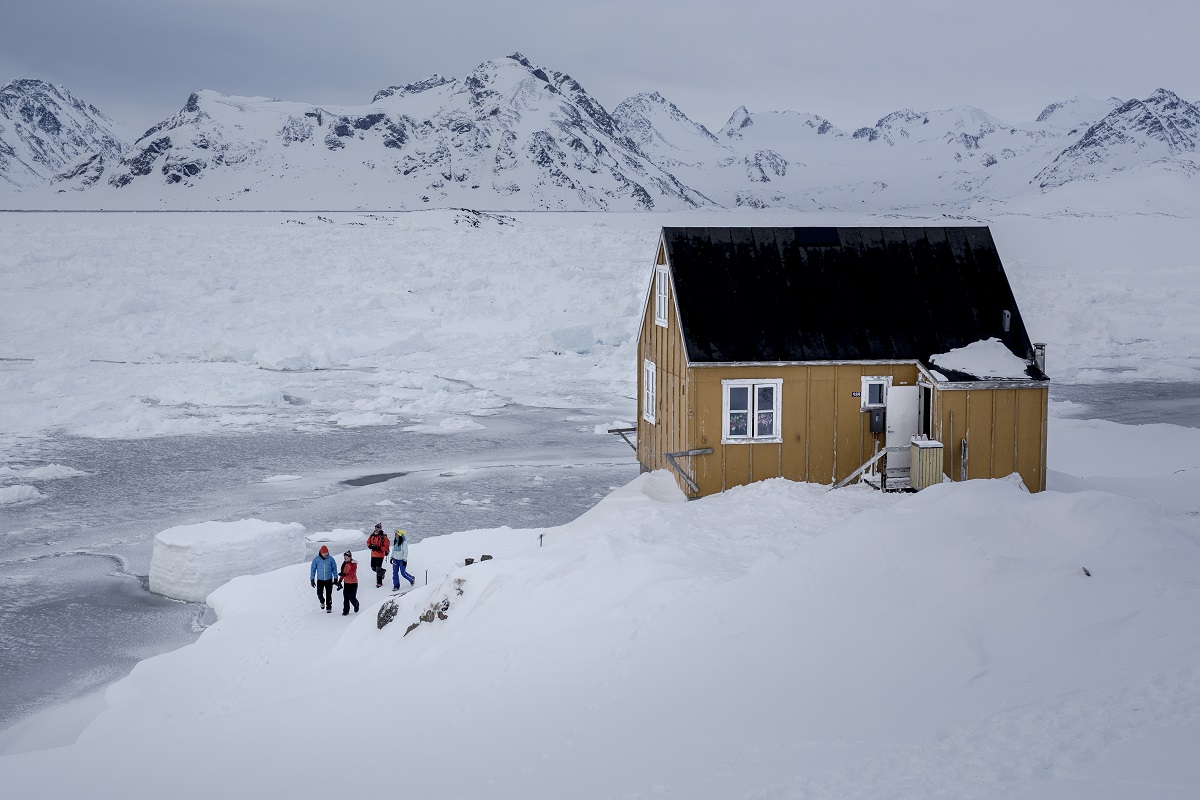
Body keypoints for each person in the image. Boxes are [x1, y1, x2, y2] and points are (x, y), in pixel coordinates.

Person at [309, 545, 337, 613]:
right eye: (325, 554)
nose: (326, 555)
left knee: (328, 594)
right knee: (319, 593)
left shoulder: (331, 559)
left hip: (329, 580)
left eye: (327, 554)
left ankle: (329, 607)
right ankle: (322, 601)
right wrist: (312, 579)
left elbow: (334, 569)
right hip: (320, 580)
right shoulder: (316, 559)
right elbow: (313, 569)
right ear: (321, 553)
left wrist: (336, 578)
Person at [366, 523, 390, 588]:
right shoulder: (372, 535)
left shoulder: (383, 537)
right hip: (373, 554)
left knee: (378, 568)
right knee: (373, 568)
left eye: (378, 528)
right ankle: (383, 572)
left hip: (380, 555)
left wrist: (379, 548)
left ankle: (379, 582)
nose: (376, 529)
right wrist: (370, 546)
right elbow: (368, 542)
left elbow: (386, 547)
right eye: (376, 528)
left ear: (380, 529)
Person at [337, 550, 360, 615]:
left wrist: (344, 575)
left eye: (346, 557)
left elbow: (351, 572)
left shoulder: (353, 564)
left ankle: (356, 604)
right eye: (344, 558)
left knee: (352, 597)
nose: (345, 559)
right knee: (346, 597)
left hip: (353, 583)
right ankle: (346, 610)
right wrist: (340, 580)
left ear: (350, 557)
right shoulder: (344, 564)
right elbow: (342, 573)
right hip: (346, 583)